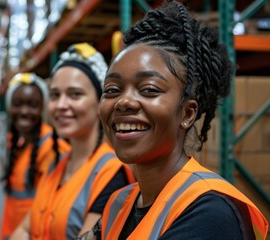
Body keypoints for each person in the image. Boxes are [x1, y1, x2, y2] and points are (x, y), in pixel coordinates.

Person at [82, 1, 268, 239]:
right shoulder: (119, 205)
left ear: (187, 113)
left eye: (148, 89)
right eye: (112, 89)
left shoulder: (211, 213)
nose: (123, 102)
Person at [10, 43, 135, 240]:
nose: (61, 105)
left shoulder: (111, 175)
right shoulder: (55, 165)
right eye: (55, 95)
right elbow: (25, 229)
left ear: (100, 103)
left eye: (75, 94)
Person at [0, 72, 70, 240]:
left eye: (32, 105)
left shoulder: (53, 150)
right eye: (17, 104)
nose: (24, 111)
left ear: (42, 109)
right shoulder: (18, 144)